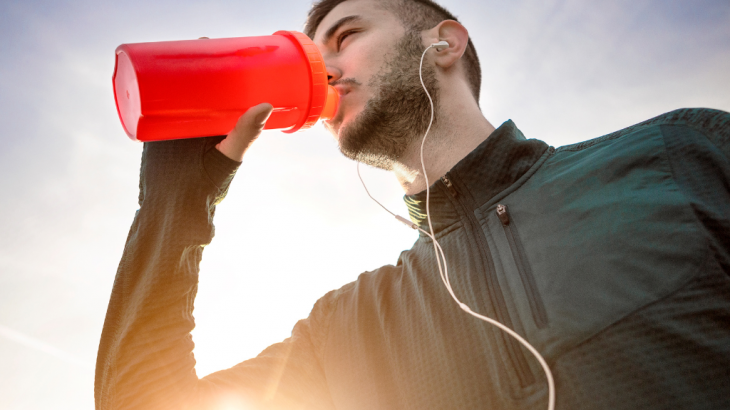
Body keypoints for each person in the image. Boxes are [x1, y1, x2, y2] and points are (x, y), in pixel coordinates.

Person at [95, 0, 730, 409]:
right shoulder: (346, 327)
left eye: (344, 37)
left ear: (445, 43)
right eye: (310, 60)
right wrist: (175, 202)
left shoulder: (681, 155)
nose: (326, 75)